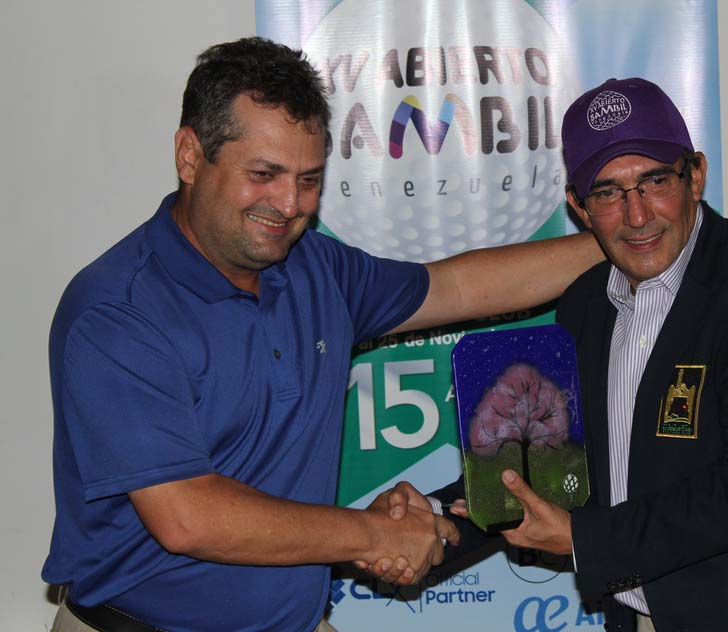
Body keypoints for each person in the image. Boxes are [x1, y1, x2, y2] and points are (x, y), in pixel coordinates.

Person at [42, 37, 605, 632]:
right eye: (264, 174)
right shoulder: (116, 311)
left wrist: (622, 239)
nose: (289, 204)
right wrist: (371, 533)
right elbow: (188, 516)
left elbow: (458, 288)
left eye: (308, 179)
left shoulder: (316, 269)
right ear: (189, 155)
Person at [384, 78, 728, 631]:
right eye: (608, 193)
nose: (637, 214)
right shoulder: (584, 304)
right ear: (579, 207)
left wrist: (584, 540)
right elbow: (554, 463)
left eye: (654, 181)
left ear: (696, 175)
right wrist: (436, 519)